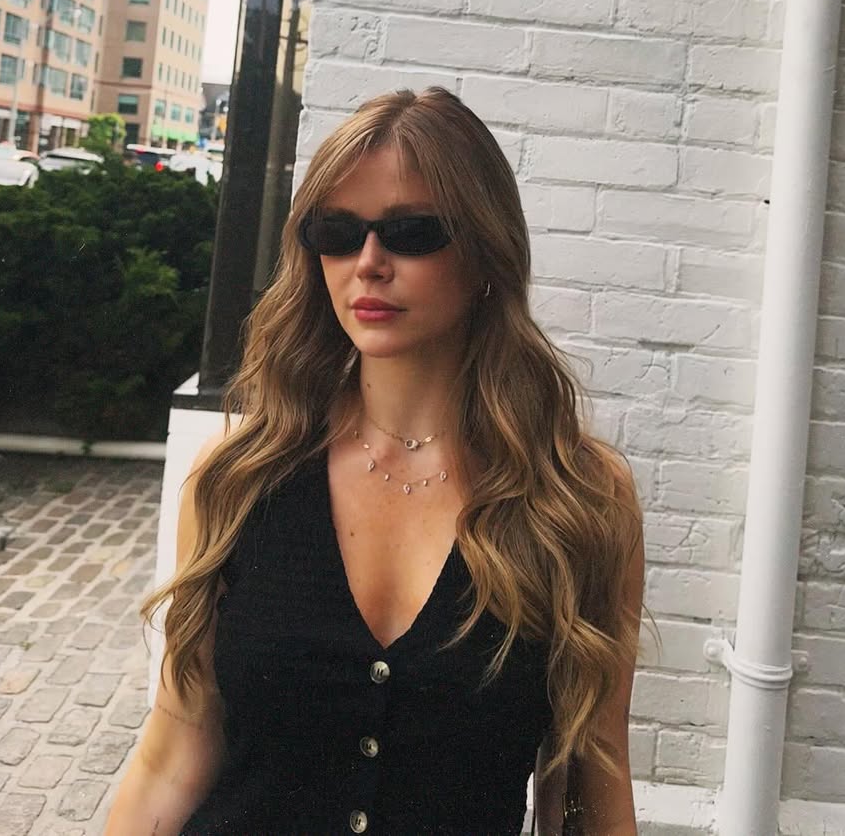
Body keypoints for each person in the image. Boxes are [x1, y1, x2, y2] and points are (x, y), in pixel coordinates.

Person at [105, 87, 644, 835]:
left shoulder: (576, 499)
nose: (367, 263)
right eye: (336, 231)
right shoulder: (238, 478)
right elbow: (172, 758)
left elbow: (591, 783)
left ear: (486, 254)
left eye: (411, 232)